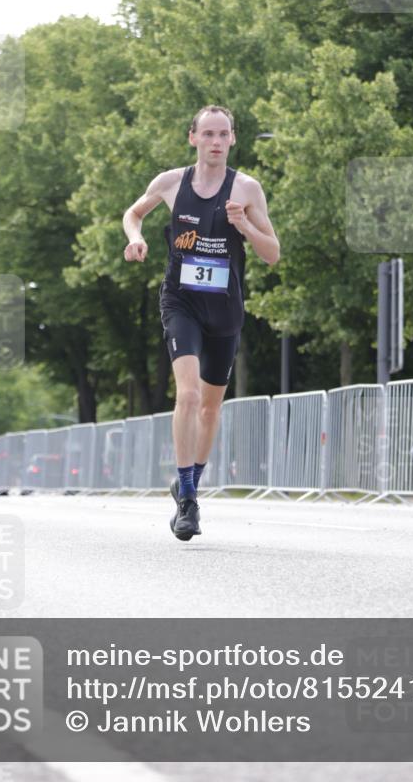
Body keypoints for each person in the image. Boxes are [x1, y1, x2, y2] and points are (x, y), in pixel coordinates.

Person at [122, 105, 280, 541]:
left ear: (233, 139)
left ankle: (191, 478)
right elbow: (134, 213)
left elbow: (272, 253)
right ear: (192, 137)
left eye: (223, 134)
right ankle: (188, 499)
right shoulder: (170, 183)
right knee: (188, 395)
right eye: (207, 133)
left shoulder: (246, 189)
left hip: (225, 309)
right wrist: (136, 238)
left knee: (211, 408)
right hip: (182, 302)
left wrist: (244, 225)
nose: (215, 141)